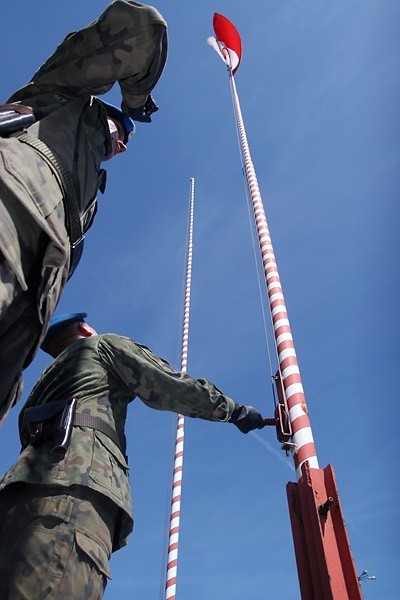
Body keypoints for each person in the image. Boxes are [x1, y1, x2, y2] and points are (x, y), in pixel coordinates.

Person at [0, 313, 266, 598]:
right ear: (84, 327)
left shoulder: (40, 387)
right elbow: (169, 384)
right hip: (74, 492)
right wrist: (233, 411)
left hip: (15, 499)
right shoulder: (101, 346)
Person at [0, 0, 168, 422]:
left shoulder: (88, 196)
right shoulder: (57, 95)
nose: (125, 144)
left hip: (27, 308)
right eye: (123, 131)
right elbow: (141, 28)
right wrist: (135, 104)